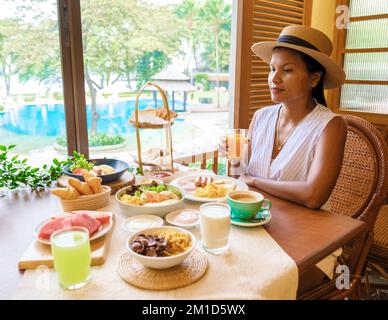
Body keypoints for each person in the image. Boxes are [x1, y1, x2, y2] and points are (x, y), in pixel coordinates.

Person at [220, 25, 347, 293]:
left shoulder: (331, 126)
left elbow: (314, 195)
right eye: (272, 69)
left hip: (305, 239)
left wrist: (254, 179)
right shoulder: (262, 117)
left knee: (248, 287)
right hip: (253, 226)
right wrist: (231, 156)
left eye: (287, 70)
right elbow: (238, 178)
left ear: (314, 78)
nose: (274, 78)